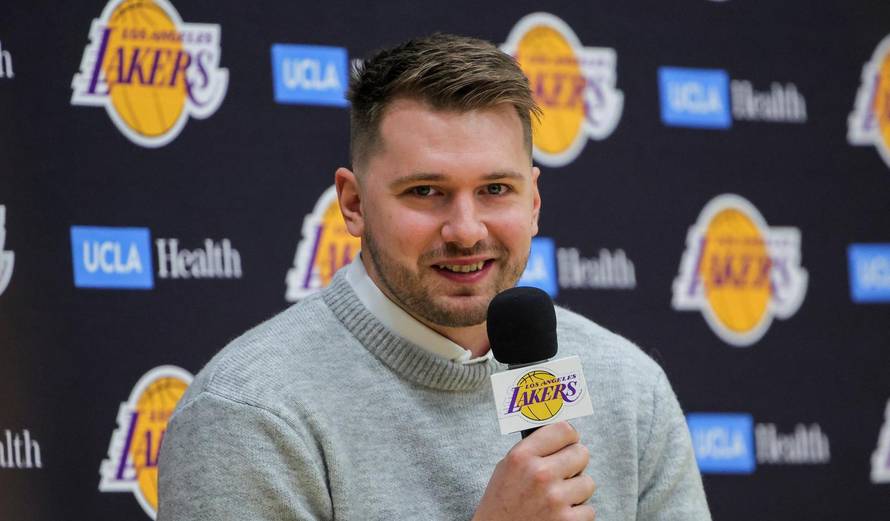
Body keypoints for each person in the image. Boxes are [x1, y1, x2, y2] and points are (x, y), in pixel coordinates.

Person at [157, 33, 711, 521]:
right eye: (425, 191)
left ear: (535, 201)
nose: (466, 230)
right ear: (352, 203)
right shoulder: (248, 411)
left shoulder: (631, 388)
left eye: (496, 190)